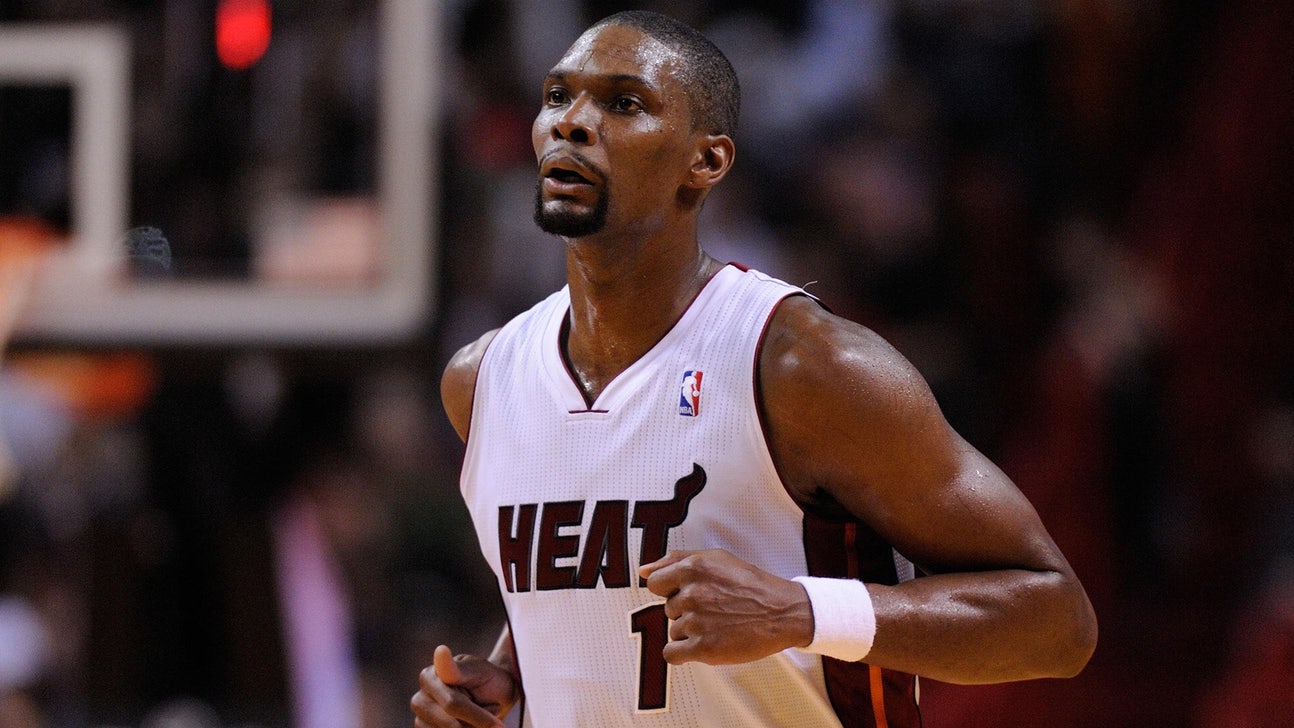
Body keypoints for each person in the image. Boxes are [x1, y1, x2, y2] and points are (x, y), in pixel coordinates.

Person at [412, 10, 1096, 728]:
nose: (573, 123)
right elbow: (590, 586)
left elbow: (1057, 621)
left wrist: (800, 612)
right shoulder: (483, 380)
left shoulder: (803, 365)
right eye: (558, 97)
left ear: (705, 162)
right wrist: (511, 680)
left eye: (624, 103)